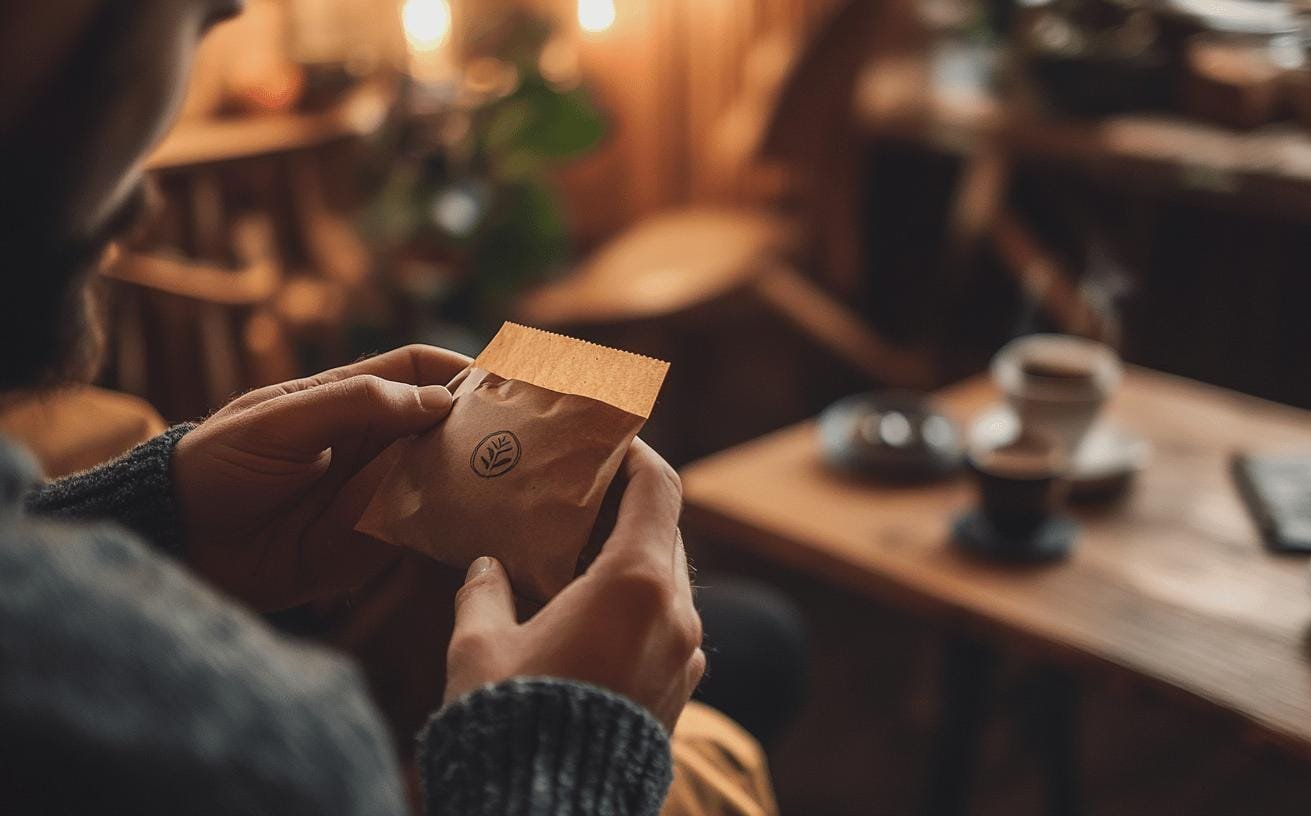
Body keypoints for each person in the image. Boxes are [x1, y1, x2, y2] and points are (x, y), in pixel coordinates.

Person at [0, 1, 775, 813]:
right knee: (761, 642)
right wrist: (560, 761)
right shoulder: (262, 753)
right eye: (193, 15)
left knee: (754, 634)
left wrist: (148, 523)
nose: (230, 10)